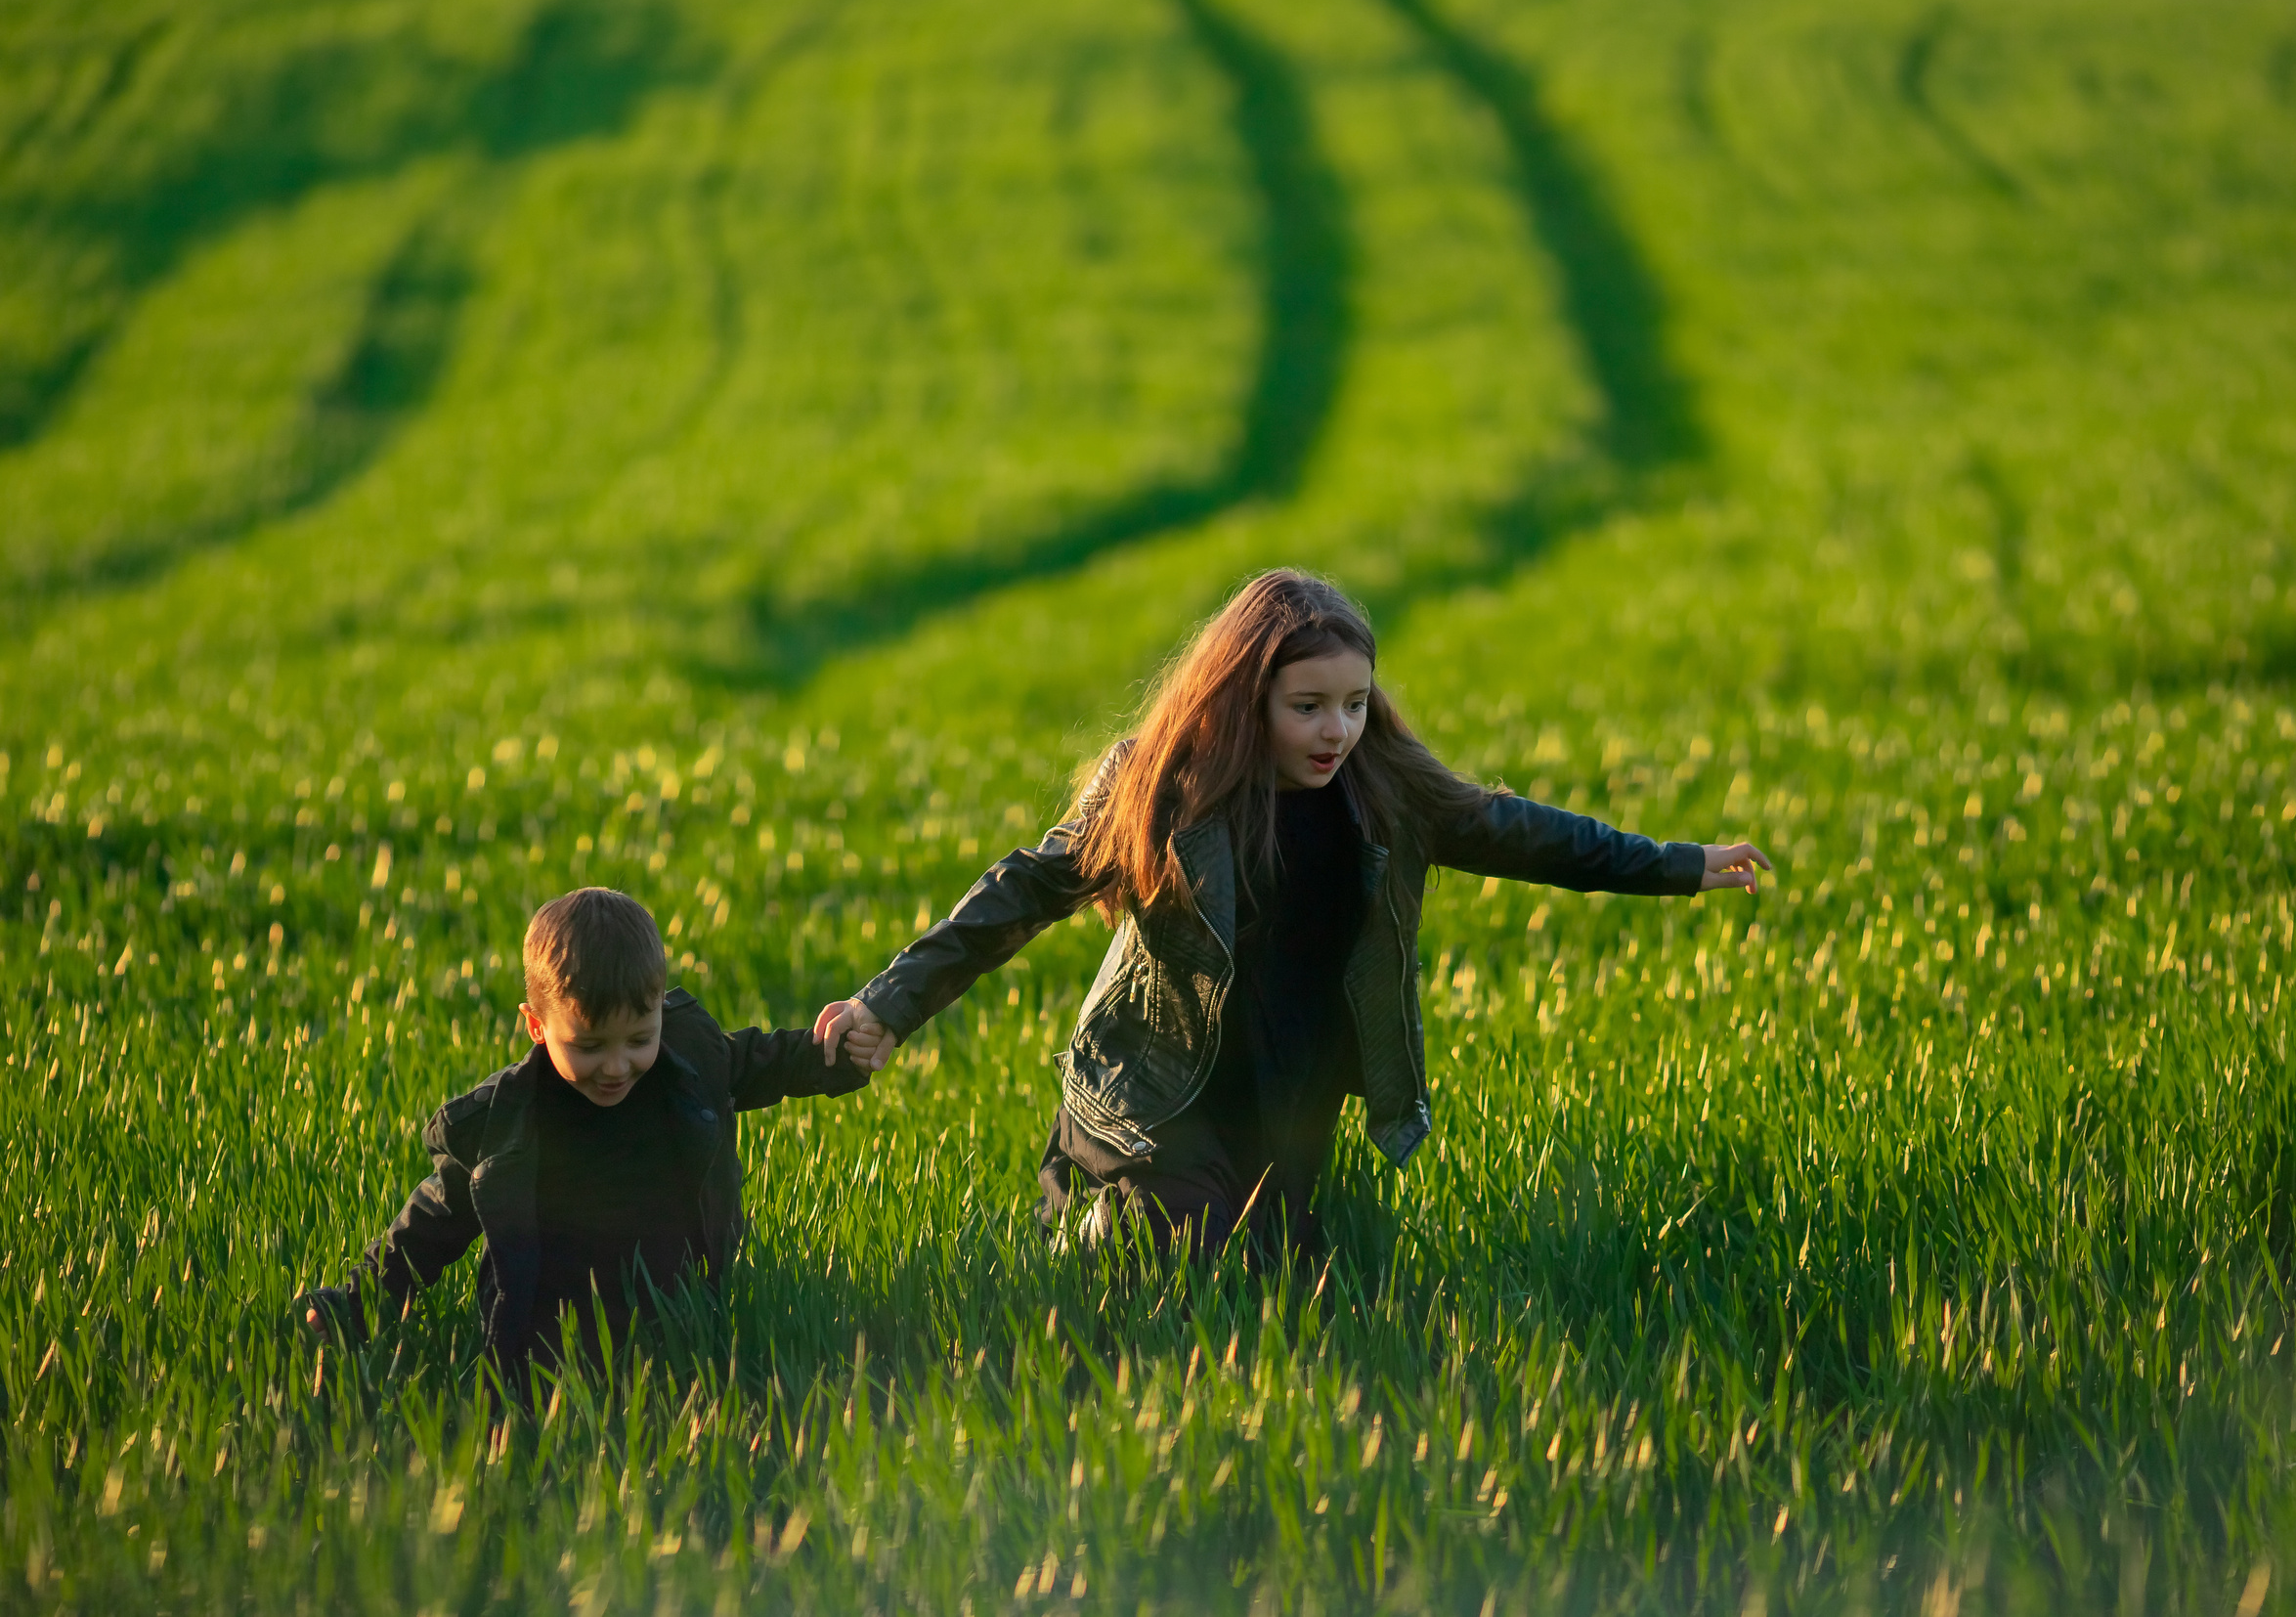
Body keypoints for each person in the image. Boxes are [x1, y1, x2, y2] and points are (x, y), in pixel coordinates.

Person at [817, 570, 1768, 1259]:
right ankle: (1084, 1229)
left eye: (1354, 704)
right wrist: (885, 1008)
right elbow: (1020, 892)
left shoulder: (1383, 786)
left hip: (1289, 1093)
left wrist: (1680, 865)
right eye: (1307, 707)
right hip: (1161, 1090)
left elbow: (1525, 835)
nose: (1336, 732)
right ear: (1246, 700)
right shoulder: (1163, 788)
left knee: (1285, 1285)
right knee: (1171, 1267)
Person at [305, 887, 873, 1376]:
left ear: (658, 1010)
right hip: (555, 1346)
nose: (617, 1066)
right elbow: (431, 1225)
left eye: (638, 1039)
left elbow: (767, 1060)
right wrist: (353, 1307)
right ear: (536, 1026)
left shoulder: (690, 1059)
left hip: (685, 1329)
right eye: (589, 1046)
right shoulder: (504, 1125)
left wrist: (839, 1051)